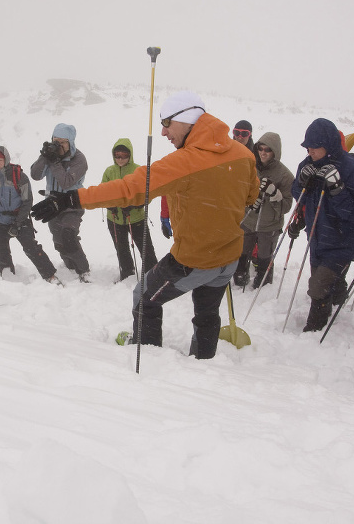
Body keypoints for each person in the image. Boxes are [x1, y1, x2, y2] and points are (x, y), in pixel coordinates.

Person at [31, 91, 259, 359]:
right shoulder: (243, 154)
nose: (163, 132)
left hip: (195, 259)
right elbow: (251, 196)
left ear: (186, 119)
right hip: (229, 256)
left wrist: (71, 198)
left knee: (143, 296)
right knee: (207, 313)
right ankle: (203, 364)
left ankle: (150, 358)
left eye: (166, 123)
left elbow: (130, 188)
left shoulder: (186, 162)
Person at [289, 118, 354, 333]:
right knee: (322, 280)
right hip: (317, 237)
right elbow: (298, 196)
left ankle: (314, 329)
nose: (310, 151)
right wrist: (301, 184)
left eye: (315, 147)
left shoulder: (352, 169)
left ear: (329, 144)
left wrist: (337, 189)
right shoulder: (307, 165)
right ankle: (338, 297)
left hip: (344, 240)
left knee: (317, 287)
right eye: (308, 146)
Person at [0, 146, 60, 284]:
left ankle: (50, 275)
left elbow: (27, 201)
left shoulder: (19, 176)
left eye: (0, 159)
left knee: (31, 247)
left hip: (19, 219)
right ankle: (8, 278)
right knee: (1, 250)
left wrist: (18, 223)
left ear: (6, 160)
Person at [30, 123, 91, 282]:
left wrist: (54, 162)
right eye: (55, 141)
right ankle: (70, 266)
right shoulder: (50, 155)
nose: (58, 145)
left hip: (72, 204)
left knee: (68, 236)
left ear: (70, 142)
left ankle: (84, 270)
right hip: (52, 205)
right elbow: (35, 175)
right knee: (58, 241)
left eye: (62, 142)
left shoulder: (79, 159)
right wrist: (44, 156)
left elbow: (66, 182)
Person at [235, 132, 294, 289]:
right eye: (260, 148)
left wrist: (274, 194)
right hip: (248, 219)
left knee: (264, 256)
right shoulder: (251, 165)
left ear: (275, 151)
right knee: (242, 251)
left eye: (268, 149)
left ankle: (263, 284)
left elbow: (287, 206)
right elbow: (239, 189)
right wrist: (250, 200)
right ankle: (240, 276)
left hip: (269, 225)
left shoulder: (285, 175)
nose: (263, 152)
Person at [101, 139, 158, 282]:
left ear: (130, 155)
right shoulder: (109, 171)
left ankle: (153, 276)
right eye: (117, 156)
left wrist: (135, 205)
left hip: (136, 219)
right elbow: (102, 191)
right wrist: (109, 204)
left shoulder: (138, 170)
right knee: (121, 250)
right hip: (115, 219)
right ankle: (127, 275)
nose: (120, 159)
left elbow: (148, 194)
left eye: (124, 155)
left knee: (146, 250)